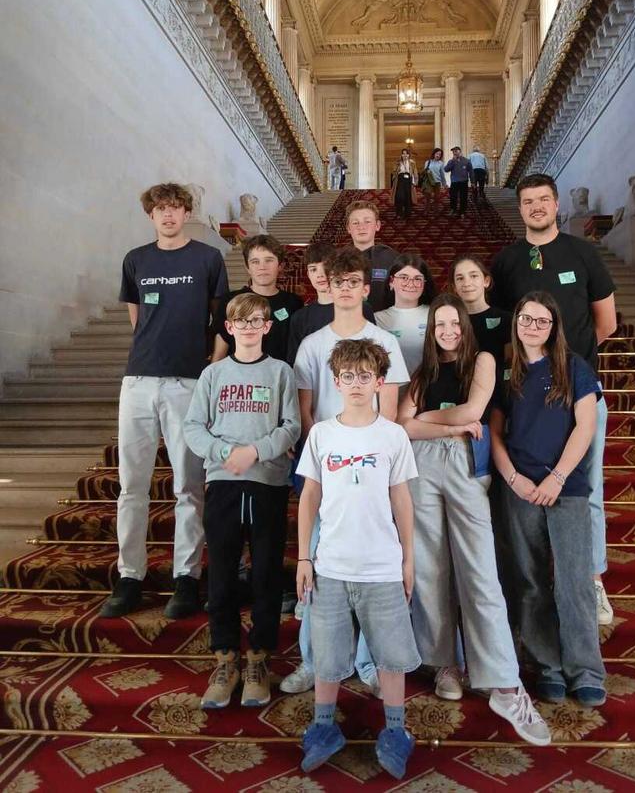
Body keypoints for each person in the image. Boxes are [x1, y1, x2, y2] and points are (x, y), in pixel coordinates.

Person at [398, 293, 551, 746]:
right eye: (439, 325)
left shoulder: (482, 360)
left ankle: (504, 682)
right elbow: (403, 426)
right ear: (431, 331)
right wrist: (441, 424)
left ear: (464, 327)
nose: (447, 332)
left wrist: (429, 417)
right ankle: (444, 660)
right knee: (430, 567)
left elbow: (472, 412)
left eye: (453, 324)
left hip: (466, 465)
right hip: (421, 466)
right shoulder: (423, 371)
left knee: (480, 572)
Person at [489, 173, 617, 624]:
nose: (536, 207)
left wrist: (568, 369)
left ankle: (592, 581)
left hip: (578, 392)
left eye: (544, 199)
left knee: (589, 489)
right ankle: (535, 586)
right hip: (527, 395)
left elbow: (607, 323)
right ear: (520, 208)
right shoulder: (506, 261)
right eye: (528, 201)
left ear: (556, 204)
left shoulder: (583, 253)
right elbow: (505, 330)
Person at [282, 247, 410, 696]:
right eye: (339, 282)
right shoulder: (313, 344)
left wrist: (368, 458)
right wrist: (329, 461)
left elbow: (390, 412)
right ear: (328, 287)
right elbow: (305, 410)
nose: (347, 289)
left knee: (372, 572)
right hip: (325, 466)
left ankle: (368, 662)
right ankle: (314, 661)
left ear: (365, 286)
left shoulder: (386, 342)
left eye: (354, 281)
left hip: (373, 469)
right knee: (317, 567)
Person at [98, 183, 228, 619]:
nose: (168, 215)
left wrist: (206, 365)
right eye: (160, 209)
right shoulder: (136, 259)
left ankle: (185, 579)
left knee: (188, 486)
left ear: (186, 212)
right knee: (131, 486)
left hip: (186, 381)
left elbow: (217, 317)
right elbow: (137, 316)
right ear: (151, 216)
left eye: (175, 208)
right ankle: (129, 576)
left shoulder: (208, 258)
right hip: (138, 381)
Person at [296, 339, 420, 778]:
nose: (355, 383)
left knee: (390, 656)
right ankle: (324, 726)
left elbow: (401, 499)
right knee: (328, 657)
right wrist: (303, 559)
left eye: (364, 376)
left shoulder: (392, 435)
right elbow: (310, 496)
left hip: (382, 565)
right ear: (335, 381)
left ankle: (396, 730)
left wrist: (408, 560)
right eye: (347, 376)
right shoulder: (322, 434)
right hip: (329, 563)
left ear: (379, 382)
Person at [183, 293, 301, 709]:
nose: (249, 327)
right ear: (229, 328)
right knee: (222, 573)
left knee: (267, 571)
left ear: (267, 327)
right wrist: (222, 453)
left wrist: (257, 451)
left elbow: (291, 426)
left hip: (266, 482)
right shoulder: (213, 375)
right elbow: (193, 428)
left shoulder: (281, 372)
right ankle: (226, 657)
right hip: (224, 483)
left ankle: (258, 659)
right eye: (240, 321)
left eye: (257, 321)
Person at [489, 292, 606, 707]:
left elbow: (585, 426)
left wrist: (557, 477)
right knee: (530, 581)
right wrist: (513, 478)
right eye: (526, 319)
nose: (533, 327)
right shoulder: (508, 373)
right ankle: (549, 667)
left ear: (554, 326)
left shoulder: (574, 367)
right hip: (519, 487)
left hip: (566, 488)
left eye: (542, 321)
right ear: (516, 322)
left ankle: (585, 670)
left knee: (574, 581)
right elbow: (495, 435)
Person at [212, 234, 303, 365]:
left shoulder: (293, 303)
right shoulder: (230, 301)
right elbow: (219, 353)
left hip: (279, 378)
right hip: (238, 381)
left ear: (280, 265)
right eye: (255, 261)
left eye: (269, 260)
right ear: (247, 267)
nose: (262, 267)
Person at [286, 241, 374, 366]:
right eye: (313, 269)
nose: (320, 274)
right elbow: (295, 363)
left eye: (325, 267)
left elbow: (374, 355)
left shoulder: (361, 308)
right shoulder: (300, 318)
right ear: (308, 275)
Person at [375, 252, 436, 374]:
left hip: (428, 388)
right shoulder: (377, 319)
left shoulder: (435, 314)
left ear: (424, 284)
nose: (410, 284)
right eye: (404, 277)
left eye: (417, 279)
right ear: (391, 281)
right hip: (389, 389)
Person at [449, 255, 511, 365]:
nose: (467, 283)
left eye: (473, 276)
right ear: (454, 287)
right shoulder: (449, 322)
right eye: (460, 278)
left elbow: (510, 364)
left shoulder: (507, 320)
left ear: (486, 281)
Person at [345, 200, 398, 313]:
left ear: (377, 225)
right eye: (355, 223)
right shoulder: (338, 259)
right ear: (348, 228)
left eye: (367, 221)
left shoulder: (392, 258)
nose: (361, 227)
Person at [443, 146, 473, 217]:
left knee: (463, 197)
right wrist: (452, 162)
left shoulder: (466, 161)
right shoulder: (451, 161)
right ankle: (453, 210)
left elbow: (471, 172)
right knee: (453, 197)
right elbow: (446, 169)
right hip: (454, 182)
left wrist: (473, 182)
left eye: (456, 151)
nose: (454, 152)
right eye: (453, 151)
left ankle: (462, 211)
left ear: (460, 151)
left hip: (464, 181)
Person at [391, 148, 418, 219]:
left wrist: (415, 181)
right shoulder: (398, 162)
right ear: (401, 154)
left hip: (408, 180)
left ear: (409, 155)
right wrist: (396, 172)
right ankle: (399, 214)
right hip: (400, 180)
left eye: (406, 154)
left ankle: (407, 214)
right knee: (399, 197)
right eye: (403, 153)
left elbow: (415, 172)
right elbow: (393, 171)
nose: (405, 155)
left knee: (408, 197)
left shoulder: (412, 162)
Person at [420, 147, 448, 213]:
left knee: (436, 197)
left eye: (440, 154)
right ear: (434, 154)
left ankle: (436, 210)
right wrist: (426, 171)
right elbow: (424, 171)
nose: (438, 155)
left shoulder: (441, 163)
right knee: (427, 196)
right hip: (429, 182)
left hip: (437, 182)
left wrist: (444, 184)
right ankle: (427, 210)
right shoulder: (428, 162)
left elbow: (442, 174)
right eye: (437, 153)